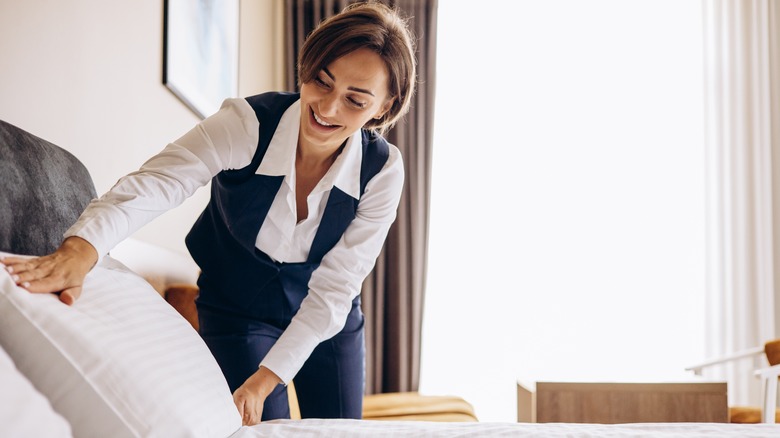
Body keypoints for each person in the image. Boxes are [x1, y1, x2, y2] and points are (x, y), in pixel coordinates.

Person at [1, 1, 416, 425]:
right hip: (238, 312)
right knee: (264, 431)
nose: (327, 108)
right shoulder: (247, 123)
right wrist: (80, 249)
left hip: (329, 322)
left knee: (340, 433)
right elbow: (159, 182)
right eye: (321, 82)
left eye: (355, 100)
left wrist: (269, 377)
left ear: (383, 107)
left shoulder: (382, 171)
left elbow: (336, 287)